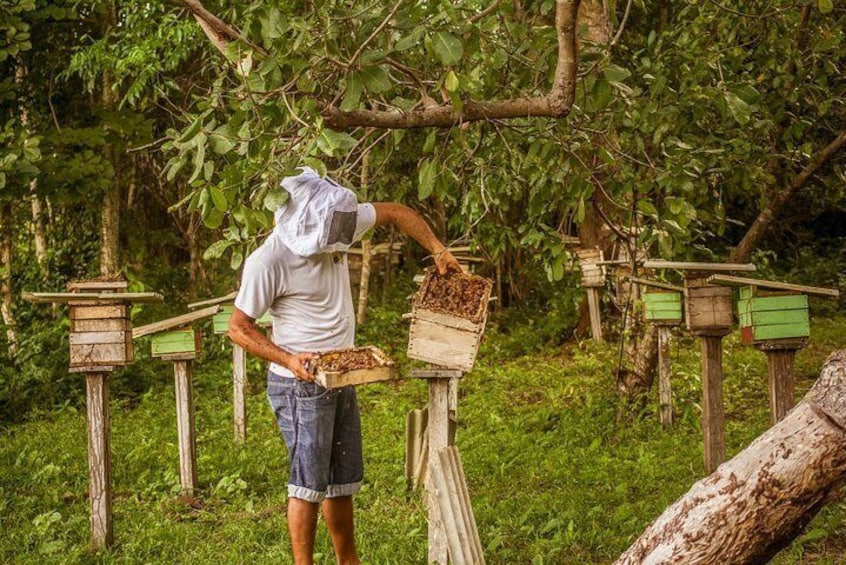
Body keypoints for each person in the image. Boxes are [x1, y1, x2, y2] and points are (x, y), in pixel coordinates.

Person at [227, 166, 461, 565]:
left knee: (341, 482)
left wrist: (437, 248)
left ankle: (347, 560)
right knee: (308, 484)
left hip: (340, 375)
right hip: (299, 385)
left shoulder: (337, 222)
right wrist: (288, 358)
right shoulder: (267, 261)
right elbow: (238, 328)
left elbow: (396, 212)